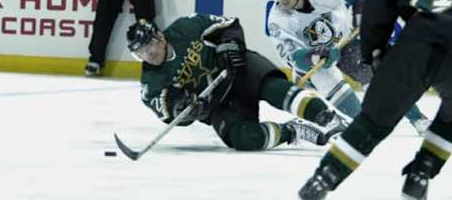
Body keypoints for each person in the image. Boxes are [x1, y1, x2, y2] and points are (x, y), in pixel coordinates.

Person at [297, 0, 452, 200]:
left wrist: (375, 51)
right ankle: (421, 172)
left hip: (419, 40)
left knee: (373, 122)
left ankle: (325, 177)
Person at [127, 14, 349, 151]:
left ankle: (329, 119)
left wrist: (230, 45)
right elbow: (171, 112)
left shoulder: (186, 27)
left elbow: (229, 25)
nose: (149, 54)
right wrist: (186, 110)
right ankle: (292, 131)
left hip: (238, 70)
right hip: (219, 104)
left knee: (277, 90)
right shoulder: (151, 84)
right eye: (141, 52)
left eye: (150, 45)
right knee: (245, 139)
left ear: (160, 36)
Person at [268, 0, 431, 133]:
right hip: (314, 60)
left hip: (346, 42)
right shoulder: (277, 19)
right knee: (328, 83)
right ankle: (364, 127)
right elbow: (292, 55)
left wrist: (360, 11)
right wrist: (314, 57)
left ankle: (418, 120)